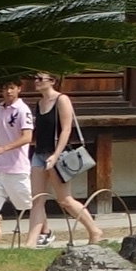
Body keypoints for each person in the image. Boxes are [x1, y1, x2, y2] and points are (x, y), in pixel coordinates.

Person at [22, 69, 102, 245]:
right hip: (39, 153)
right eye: (35, 78)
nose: (36, 81)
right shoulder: (39, 102)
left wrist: (56, 155)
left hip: (57, 155)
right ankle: (30, 243)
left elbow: (66, 129)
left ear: (52, 81)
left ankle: (94, 230)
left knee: (65, 200)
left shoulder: (61, 100)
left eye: (40, 78)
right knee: (37, 200)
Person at [0, 80, 38, 247]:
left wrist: (4, 148)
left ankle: (43, 231)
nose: (8, 92)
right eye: (5, 88)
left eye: (11, 88)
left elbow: (27, 137)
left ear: (19, 89)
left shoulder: (22, 110)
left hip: (17, 167)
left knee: (25, 204)